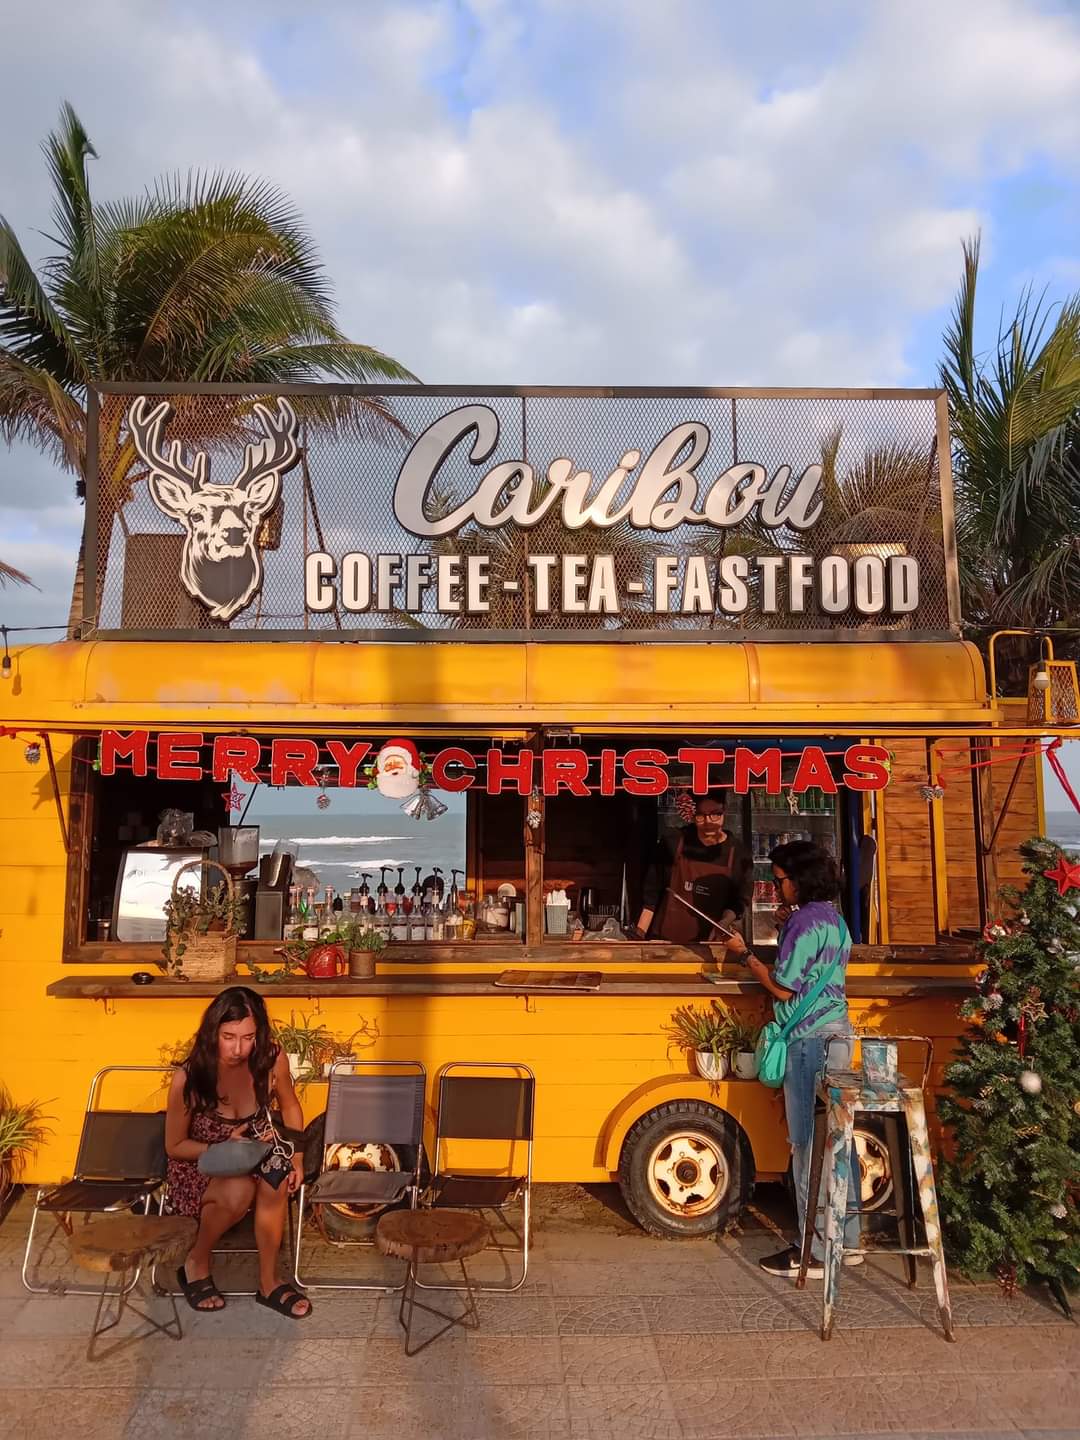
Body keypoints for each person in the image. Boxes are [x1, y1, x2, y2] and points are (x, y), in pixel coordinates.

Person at [723, 843, 862, 1278]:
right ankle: (849, 1240)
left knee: (806, 1145)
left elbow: (783, 988)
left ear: (799, 880)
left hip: (808, 1043)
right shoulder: (835, 922)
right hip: (839, 1034)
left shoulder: (803, 921)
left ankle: (813, 1250)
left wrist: (744, 955)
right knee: (839, 1139)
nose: (777, 887)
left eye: (781, 879)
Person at [165, 986, 312, 1319]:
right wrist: (222, 1148)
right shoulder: (189, 1077)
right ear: (212, 1032)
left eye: (248, 1037)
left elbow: (290, 1106)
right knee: (240, 1187)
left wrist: (297, 1157)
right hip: (202, 1163)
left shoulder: (271, 1059)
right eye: (229, 1037)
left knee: (278, 1178)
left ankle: (268, 1282)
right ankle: (196, 1261)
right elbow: (174, 1146)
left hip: (255, 1150)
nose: (238, 1048)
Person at [637, 793, 752, 942]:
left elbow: (740, 901)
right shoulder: (673, 842)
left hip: (709, 946)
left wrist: (723, 924)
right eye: (701, 816)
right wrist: (640, 935)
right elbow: (651, 896)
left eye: (715, 814)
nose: (708, 822)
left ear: (725, 810)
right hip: (664, 943)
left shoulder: (738, 853)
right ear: (692, 814)